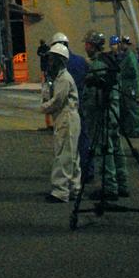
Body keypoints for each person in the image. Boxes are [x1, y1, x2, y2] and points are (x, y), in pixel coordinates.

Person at [81, 29, 128, 200]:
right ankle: (122, 183)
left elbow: (94, 97)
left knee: (104, 149)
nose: (86, 47)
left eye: (87, 44)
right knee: (116, 148)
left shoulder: (97, 65)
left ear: (92, 46)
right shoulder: (110, 60)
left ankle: (110, 188)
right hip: (114, 112)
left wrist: (88, 113)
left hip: (102, 113)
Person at [40, 42, 81, 203]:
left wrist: (43, 107)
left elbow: (57, 101)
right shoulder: (59, 77)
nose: (50, 63)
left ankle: (60, 191)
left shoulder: (64, 79)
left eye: (52, 59)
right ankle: (74, 188)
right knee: (71, 155)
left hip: (66, 118)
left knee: (63, 155)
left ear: (59, 60)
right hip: (66, 118)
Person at [112, 34, 139, 138]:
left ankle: (138, 130)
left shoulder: (129, 56)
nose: (120, 45)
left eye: (121, 43)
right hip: (127, 87)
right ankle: (132, 129)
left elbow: (134, 73)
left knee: (133, 109)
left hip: (131, 88)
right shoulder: (126, 55)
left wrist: (135, 90)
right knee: (128, 109)